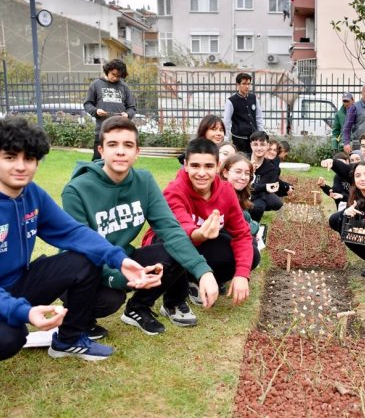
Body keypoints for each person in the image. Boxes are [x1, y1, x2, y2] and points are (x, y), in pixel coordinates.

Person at [0, 117, 156, 392]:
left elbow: (73, 233)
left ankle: (69, 338)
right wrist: (25, 312)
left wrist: (119, 259)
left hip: (15, 284)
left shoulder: (31, 194)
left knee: (83, 259)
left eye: (29, 158)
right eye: (10, 157)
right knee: (9, 337)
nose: (20, 166)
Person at [62, 117, 219, 337]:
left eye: (128, 145)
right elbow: (77, 251)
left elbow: (171, 230)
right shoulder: (76, 190)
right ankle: (79, 318)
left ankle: (137, 308)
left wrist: (203, 272)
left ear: (137, 152)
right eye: (112, 144)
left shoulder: (144, 181)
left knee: (173, 250)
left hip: (125, 258)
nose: (120, 152)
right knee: (110, 299)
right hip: (88, 267)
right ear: (101, 150)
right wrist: (122, 278)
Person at [142, 138, 254, 306]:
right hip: (167, 245)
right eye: (195, 166)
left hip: (200, 244)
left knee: (251, 255)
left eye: (208, 166)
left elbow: (242, 235)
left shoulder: (226, 191)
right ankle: (173, 296)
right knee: (174, 245)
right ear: (186, 165)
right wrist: (200, 233)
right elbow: (180, 232)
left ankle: (192, 279)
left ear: (218, 166)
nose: (202, 173)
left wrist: (241, 274)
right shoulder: (174, 191)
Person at [83, 59, 137, 161]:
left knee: (118, 160)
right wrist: (96, 111)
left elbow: (132, 107)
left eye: (118, 76)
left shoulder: (124, 87)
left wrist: (127, 115)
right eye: (113, 74)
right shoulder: (96, 84)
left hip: (121, 131)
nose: (115, 78)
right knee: (98, 161)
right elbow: (87, 104)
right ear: (108, 70)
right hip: (102, 130)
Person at [220, 153, 262, 268]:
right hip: (219, 241)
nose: (243, 177)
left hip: (231, 236)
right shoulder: (221, 194)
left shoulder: (239, 194)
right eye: (238, 172)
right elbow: (241, 225)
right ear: (225, 172)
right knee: (253, 252)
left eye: (247, 173)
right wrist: (255, 226)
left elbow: (245, 218)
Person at [249, 131, 290, 222]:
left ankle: (253, 228)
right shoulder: (242, 160)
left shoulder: (271, 169)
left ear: (267, 146)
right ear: (251, 145)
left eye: (262, 144)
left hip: (255, 197)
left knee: (259, 204)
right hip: (236, 195)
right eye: (255, 144)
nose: (259, 148)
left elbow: (258, 191)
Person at [223, 72, 264, 155]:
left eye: (248, 84)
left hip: (254, 138)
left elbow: (258, 117)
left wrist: (262, 133)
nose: (247, 86)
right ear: (238, 85)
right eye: (244, 84)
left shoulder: (254, 98)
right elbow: (226, 122)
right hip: (239, 139)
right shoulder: (231, 101)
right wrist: (226, 140)